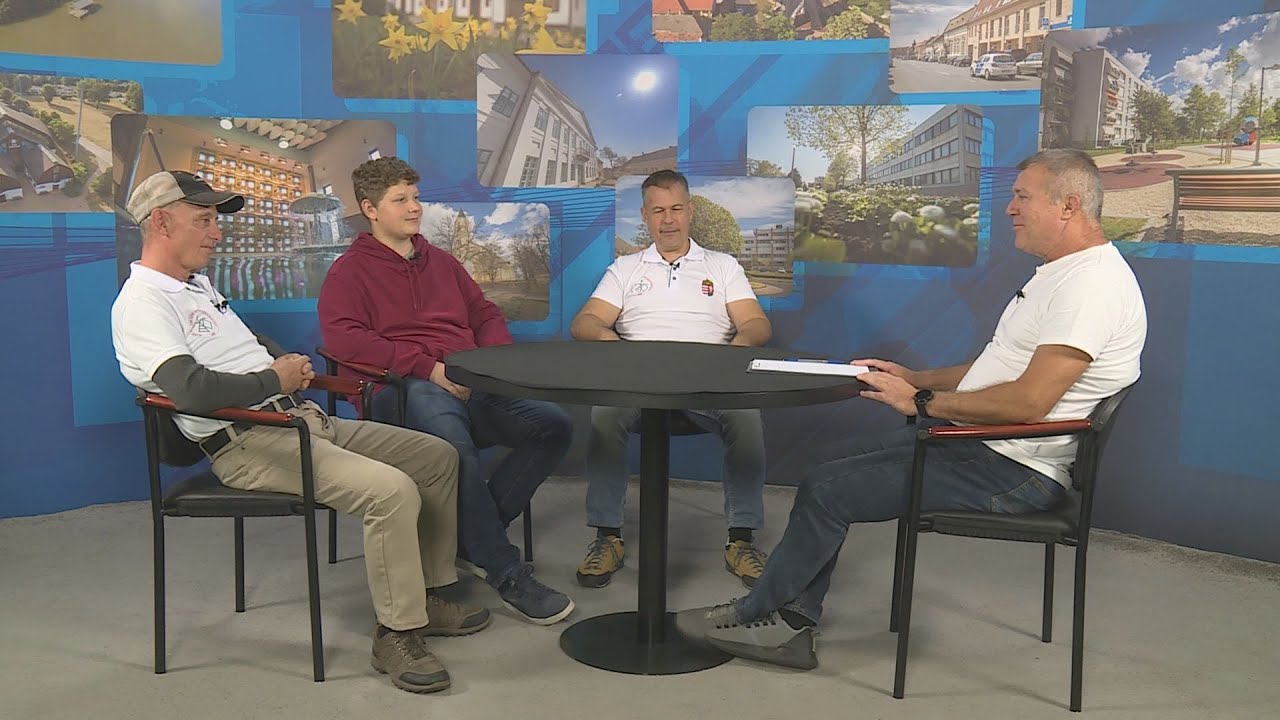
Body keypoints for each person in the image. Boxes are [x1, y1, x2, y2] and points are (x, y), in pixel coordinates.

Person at [675, 149, 1147, 670]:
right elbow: (999, 366)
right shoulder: (1062, 273)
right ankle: (791, 619)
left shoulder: (1090, 287)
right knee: (824, 467)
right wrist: (915, 378)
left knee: (830, 490)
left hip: (1014, 471)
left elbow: (1030, 401)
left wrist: (921, 401)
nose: (1010, 208)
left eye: (1022, 197)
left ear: (1068, 206)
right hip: (987, 446)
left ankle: (761, 616)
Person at [112, 170, 486, 695]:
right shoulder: (142, 302)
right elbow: (192, 391)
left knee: (436, 456)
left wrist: (281, 363)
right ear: (160, 223)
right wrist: (274, 378)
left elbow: (241, 347)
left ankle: (427, 594)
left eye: (215, 221)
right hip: (249, 442)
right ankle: (397, 634)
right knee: (391, 492)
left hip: (299, 419)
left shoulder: (195, 285)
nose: (216, 233)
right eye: (203, 220)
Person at [318, 157, 575, 625]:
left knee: (553, 426)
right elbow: (344, 340)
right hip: (399, 390)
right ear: (370, 209)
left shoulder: (443, 263)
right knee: (449, 440)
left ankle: (469, 540)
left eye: (415, 197)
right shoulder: (348, 272)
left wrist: (489, 365)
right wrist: (427, 368)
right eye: (400, 200)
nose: (414, 208)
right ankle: (505, 570)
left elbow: (484, 314)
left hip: (470, 380)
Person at [569, 169, 774, 589]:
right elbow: (585, 323)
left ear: (690, 211)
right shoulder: (625, 268)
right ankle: (607, 537)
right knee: (604, 415)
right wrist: (616, 347)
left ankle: (741, 540)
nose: (668, 219)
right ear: (645, 216)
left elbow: (757, 325)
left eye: (676, 208)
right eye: (658, 210)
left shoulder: (723, 266)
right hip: (638, 383)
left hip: (709, 383)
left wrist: (731, 356)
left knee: (747, 417)